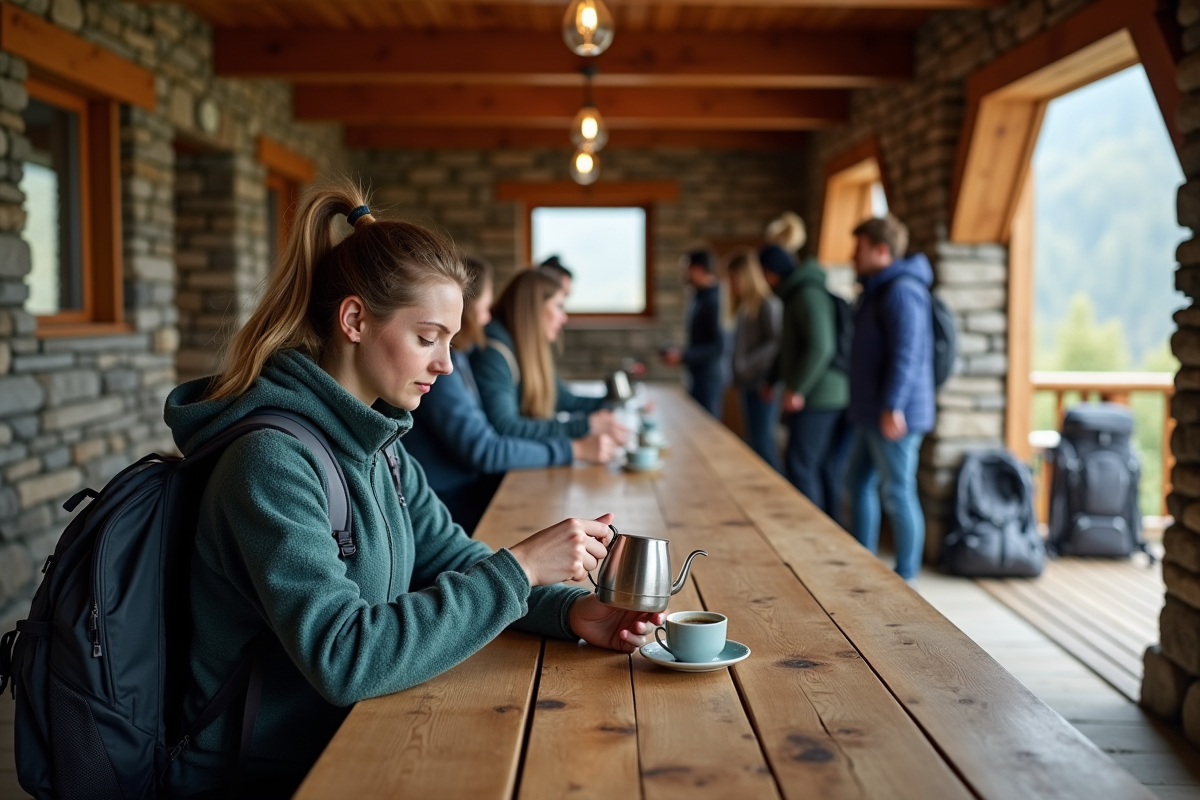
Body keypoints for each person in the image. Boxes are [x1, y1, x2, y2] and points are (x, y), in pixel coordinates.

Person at [162, 183, 659, 798]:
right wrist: (520, 568)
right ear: (354, 320)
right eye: (428, 338)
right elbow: (344, 657)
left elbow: (450, 558)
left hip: (358, 734)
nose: (447, 365)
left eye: (451, 340)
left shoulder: (382, 445)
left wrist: (571, 612)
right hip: (271, 774)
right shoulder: (270, 462)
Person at [405, 256, 616, 534]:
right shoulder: (459, 367)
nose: (489, 317)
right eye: (427, 338)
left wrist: (608, 404)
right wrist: (573, 447)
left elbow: (558, 398)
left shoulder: (463, 359)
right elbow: (489, 446)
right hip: (452, 502)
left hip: (460, 494)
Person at [843, 214, 935, 583]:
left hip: (893, 414)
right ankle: (865, 566)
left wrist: (892, 404)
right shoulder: (877, 289)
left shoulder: (901, 290)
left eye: (859, 247)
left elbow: (907, 353)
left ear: (881, 251)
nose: (853, 255)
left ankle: (907, 577)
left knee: (897, 492)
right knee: (858, 483)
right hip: (871, 412)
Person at [472, 269, 628, 443]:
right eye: (559, 306)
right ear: (534, 308)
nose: (564, 318)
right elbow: (505, 426)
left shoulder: (525, 347)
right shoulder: (494, 353)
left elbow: (561, 398)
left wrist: (614, 404)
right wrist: (584, 426)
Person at [760, 243, 851, 522]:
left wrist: (797, 388)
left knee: (802, 466)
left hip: (820, 397)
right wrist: (773, 379)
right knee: (821, 468)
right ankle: (829, 531)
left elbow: (820, 347)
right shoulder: (796, 293)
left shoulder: (806, 294)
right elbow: (789, 346)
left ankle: (812, 533)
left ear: (770, 273)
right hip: (824, 393)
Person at [724, 248, 783, 468]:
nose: (730, 285)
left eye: (733, 279)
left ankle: (779, 495)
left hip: (763, 385)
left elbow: (777, 343)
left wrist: (747, 363)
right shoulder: (742, 307)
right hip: (746, 383)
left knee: (764, 442)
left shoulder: (767, 304)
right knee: (753, 442)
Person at [662, 249, 727, 417]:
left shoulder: (716, 299)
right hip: (697, 374)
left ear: (697, 269)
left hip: (710, 377)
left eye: (685, 268)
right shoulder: (698, 296)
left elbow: (718, 345)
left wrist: (684, 356)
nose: (682, 273)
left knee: (708, 431)